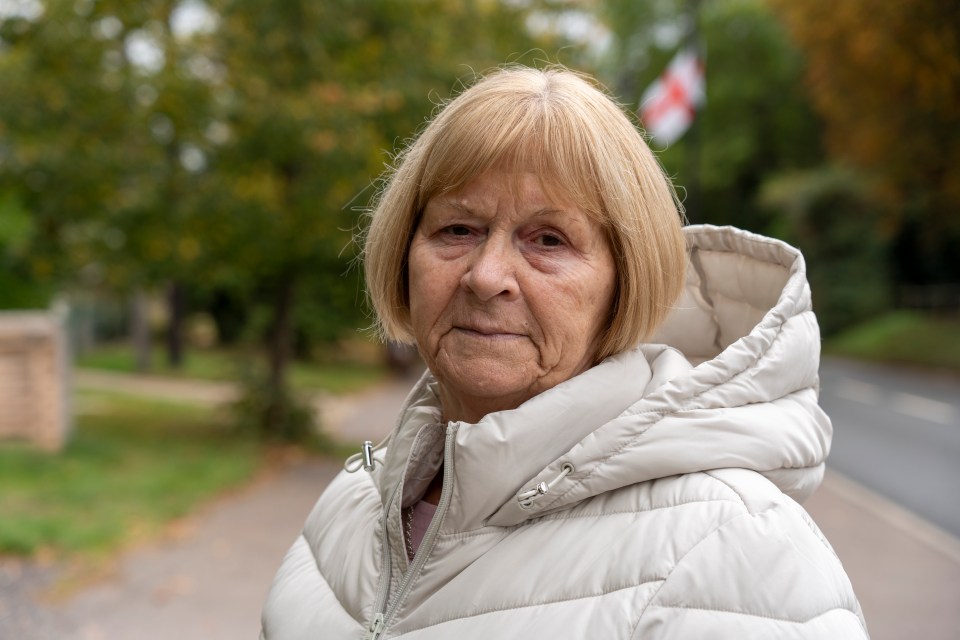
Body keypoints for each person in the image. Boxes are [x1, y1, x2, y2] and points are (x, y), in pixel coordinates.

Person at [260, 66, 868, 639]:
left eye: (548, 240)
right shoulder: (360, 497)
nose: (486, 275)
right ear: (404, 255)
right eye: (457, 229)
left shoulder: (735, 549)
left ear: (623, 285)